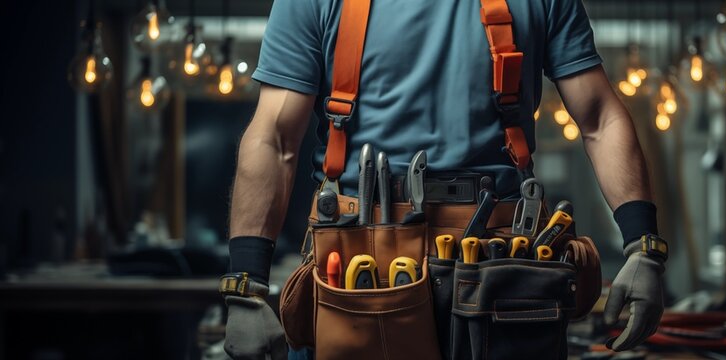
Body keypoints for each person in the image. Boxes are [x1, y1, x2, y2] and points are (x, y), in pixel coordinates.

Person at [220, 0, 668, 359]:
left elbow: (600, 118)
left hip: (498, 270)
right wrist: (246, 283)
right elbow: (274, 140)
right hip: (361, 264)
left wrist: (643, 244)